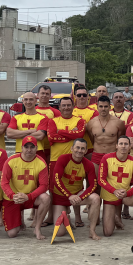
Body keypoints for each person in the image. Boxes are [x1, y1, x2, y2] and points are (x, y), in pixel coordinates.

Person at [100, 135, 133, 238]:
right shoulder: (106, 158)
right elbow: (101, 179)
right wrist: (114, 191)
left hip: (125, 195)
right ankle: (115, 218)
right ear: (116, 146)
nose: (123, 146)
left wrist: (128, 193)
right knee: (107, 233)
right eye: (121, 144)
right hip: (110, 195)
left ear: (130, 147)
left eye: (126, 144)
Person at [1, 136, 51, 239]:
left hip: (30, 197)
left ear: (36, 148)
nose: (29, 150)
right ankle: (19, 222)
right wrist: (12, 195)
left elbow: (44, 185)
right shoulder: (11, 161)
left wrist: (29, 196)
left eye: (32, 147)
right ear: (21, 148)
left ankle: (37, 228)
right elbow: (4, 182)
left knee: (45, 198)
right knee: (12, 234)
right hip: (13, 198)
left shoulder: (41, 162)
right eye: (26, 147)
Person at [47, 96, 87, 226]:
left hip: (75, 159)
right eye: (63, 105)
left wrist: (62, 132)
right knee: (53, 188)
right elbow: (51, 137)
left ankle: (78, 217)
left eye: (68, 105)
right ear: (59, 107)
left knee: (76, 186)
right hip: (55, 159)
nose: (66, 108)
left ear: (73, 106)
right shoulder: (53, 121)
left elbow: (79, 135)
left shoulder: (79, 120)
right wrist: (71, 134)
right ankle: (51, 215)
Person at [51, 139, 101, 240]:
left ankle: (92, 231)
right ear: (72, 148)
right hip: (61, 196)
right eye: (77, 147)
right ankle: (67, 218)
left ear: (86, 151)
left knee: (96, 198)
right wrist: (69, 195)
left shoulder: (88, 164)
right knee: (60, 233)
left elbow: (93, 185)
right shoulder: (63, 159)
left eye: (83, 148)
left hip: (77, 195)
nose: (80, 150)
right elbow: (56, 180)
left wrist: (81, 197)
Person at [6, 92, 49, 159]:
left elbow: (40, 135)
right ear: (23, 101)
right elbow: (9, 134)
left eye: (31, 99)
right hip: (20, 151)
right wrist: (31, 131)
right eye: (26, 99)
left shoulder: (43, 117)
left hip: (38, 152)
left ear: (36, 101)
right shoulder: (16, 118)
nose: (28, 102)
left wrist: (18, 134)